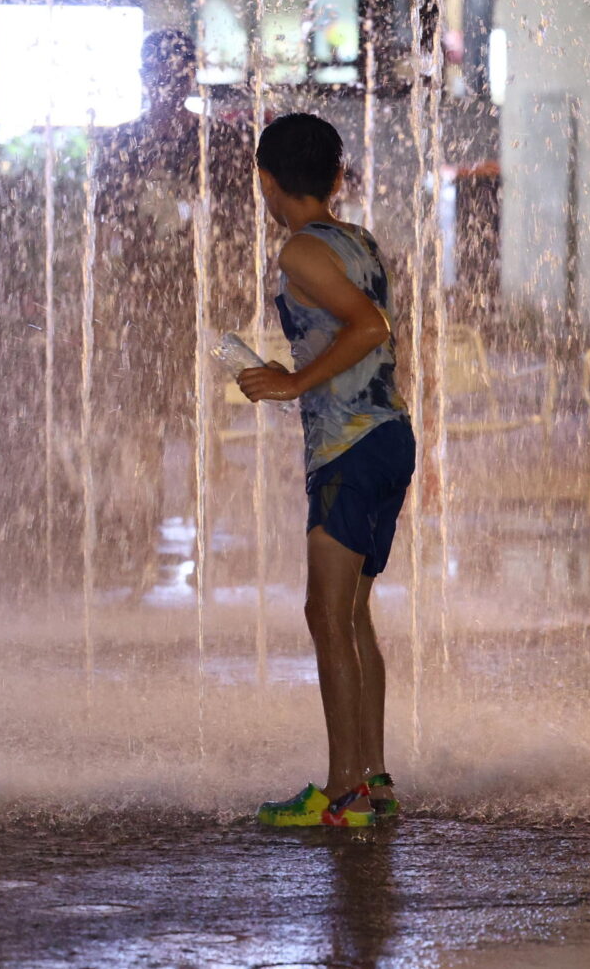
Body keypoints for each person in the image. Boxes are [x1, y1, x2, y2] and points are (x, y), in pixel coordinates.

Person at [235, 114, 413, 828]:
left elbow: (371, 327)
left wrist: (290, 383)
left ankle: (342, 796)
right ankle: (372, 778)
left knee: (325, 614)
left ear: (267, 182)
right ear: (337, 178)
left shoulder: (301, 252)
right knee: (351, 613)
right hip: (385, 437)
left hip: (349, 448)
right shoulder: (357, 240)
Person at [92, 28, 255, 576]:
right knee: (141, 430)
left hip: (200, 310)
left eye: (177, 74)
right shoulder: (118, 144)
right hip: (142, 309)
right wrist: (101, 305)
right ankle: (141, 548)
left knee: (200, 428)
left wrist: (235, 295)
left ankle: (205, 548)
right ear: (143, 78)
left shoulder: (221, 143)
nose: (167, 84)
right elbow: (100, 232)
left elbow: (241, 230)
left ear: (190, 77)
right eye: (159, 74)